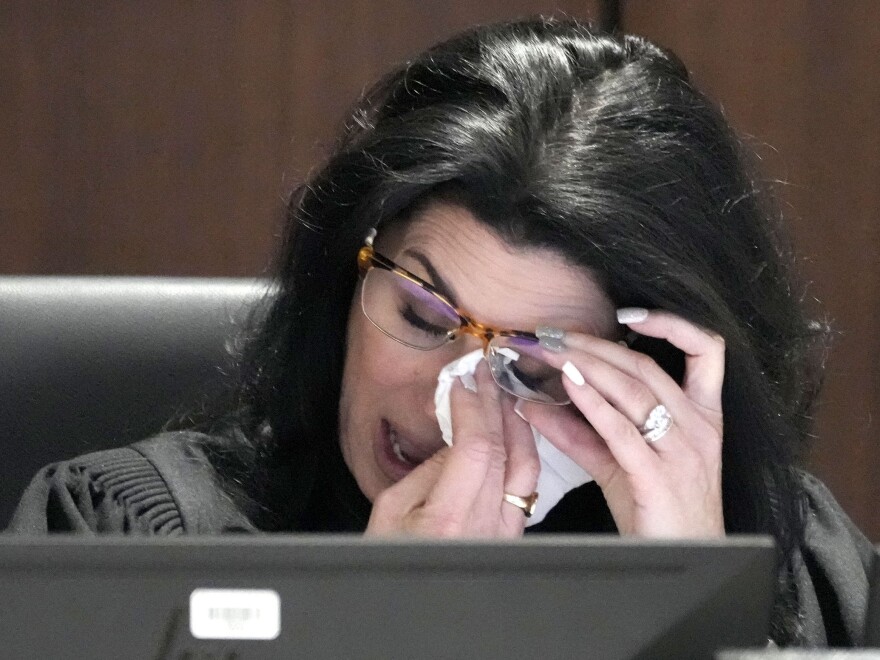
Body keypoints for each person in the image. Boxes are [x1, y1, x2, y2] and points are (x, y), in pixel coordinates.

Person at [8, 17, 872, 647]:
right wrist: (372, 624)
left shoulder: (804, 568)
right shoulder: (124, 537)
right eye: (423, 316)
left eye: (533, 369)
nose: (444, 405)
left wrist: (698, 609)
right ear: (346, 278)